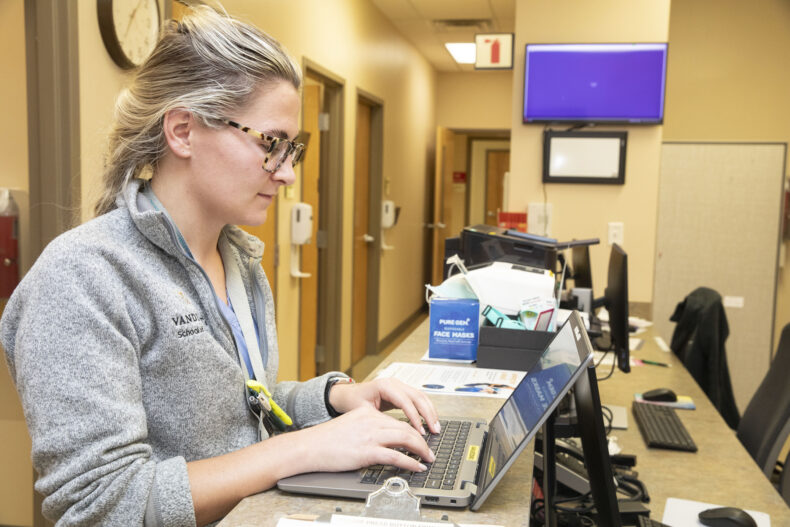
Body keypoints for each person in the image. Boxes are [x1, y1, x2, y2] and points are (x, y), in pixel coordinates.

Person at [0, 6, 439, 526]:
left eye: (292, 148)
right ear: (183, 131)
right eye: (272, 144)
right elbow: (103, 502)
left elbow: (241, 411)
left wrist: (336, 397)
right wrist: (306, 449)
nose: (288, 175)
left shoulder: (239, 259)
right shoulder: (82, 278)